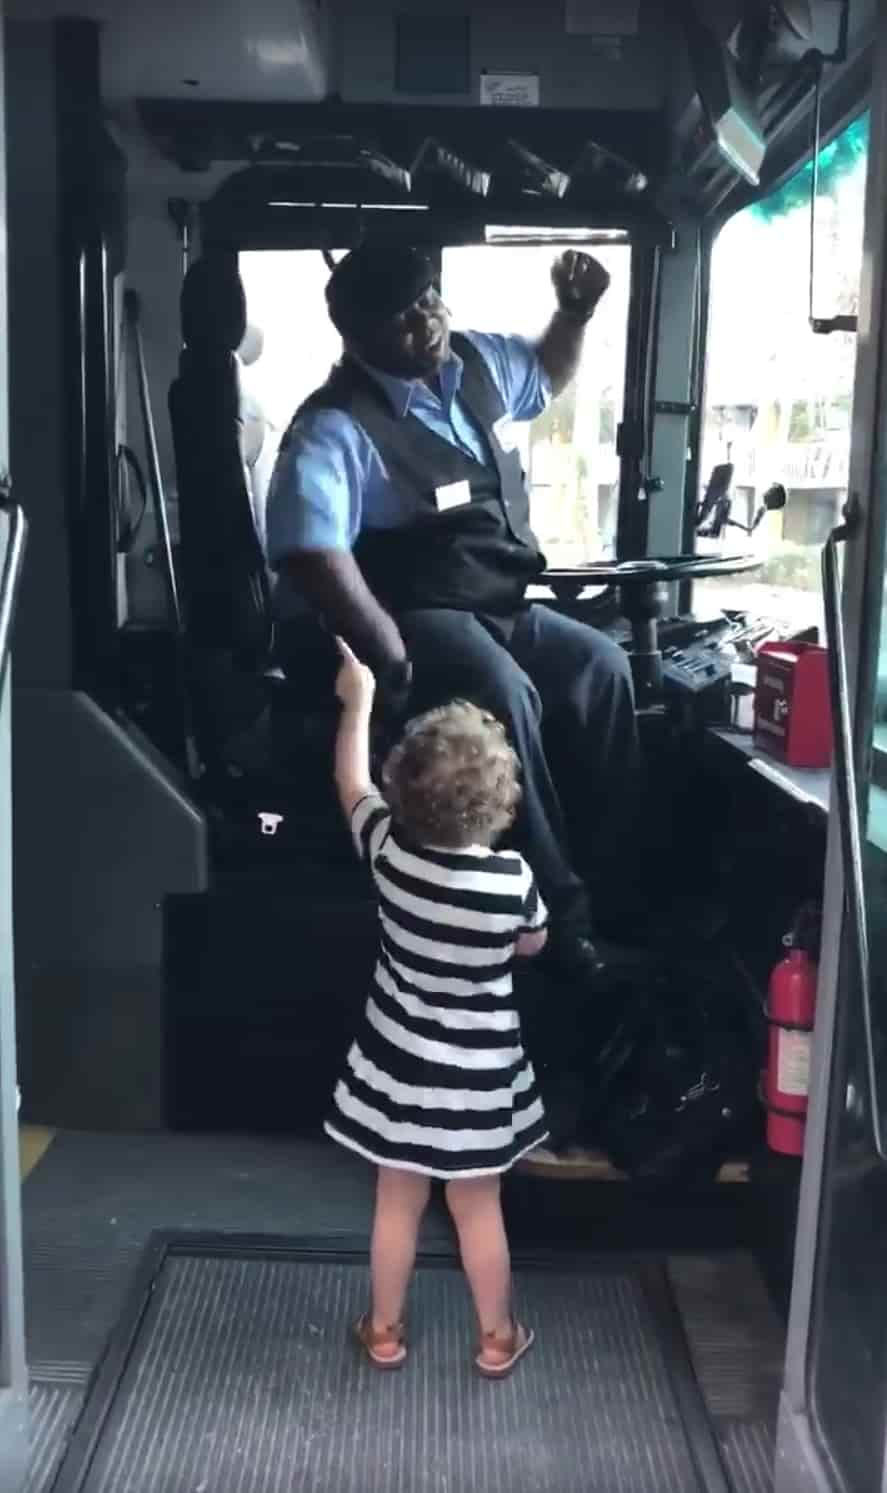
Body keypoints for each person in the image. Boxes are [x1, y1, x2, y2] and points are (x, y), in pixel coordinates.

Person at [267, 242, 640, 980]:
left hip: (500, 602)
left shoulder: (474, 364)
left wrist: (572, 313)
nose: (426, 317)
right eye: (402, 314)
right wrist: (390, 656)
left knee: (603, 667)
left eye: (430, 296)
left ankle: (625, 888)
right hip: (417, 611)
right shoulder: (334, 426)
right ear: (358, 335)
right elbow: (311, 552)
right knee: (504, 694)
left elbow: (546, 374)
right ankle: (560, 928)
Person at [327, 638, 548, 1377]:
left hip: (398, 1072)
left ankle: (384, 1330)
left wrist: (356, 703)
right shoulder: (510, 879)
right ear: (497, 803)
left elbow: (349, 781)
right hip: (478, 1080)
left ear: (403, 791)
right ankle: (496, 1336)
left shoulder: (388, 851)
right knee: (476, 1208)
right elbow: (533, 943)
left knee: (397, 1201)